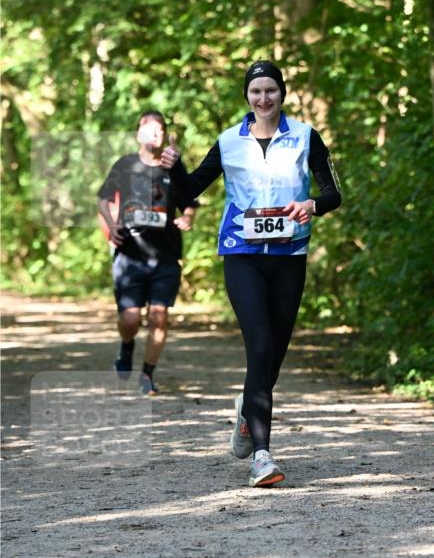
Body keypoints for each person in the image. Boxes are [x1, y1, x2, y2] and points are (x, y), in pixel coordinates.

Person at [160, 60, 342, 486]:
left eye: (271, 91)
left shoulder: (305, 137)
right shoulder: (228, 142)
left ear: (282, 93)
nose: (264, 98)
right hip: (241, 255)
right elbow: (187, 192)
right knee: (259, 346)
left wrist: (313, 204)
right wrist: (173, 168)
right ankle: (262, 455)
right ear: (247, 96)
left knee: (273, 354)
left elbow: (334, 193)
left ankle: (248, 407)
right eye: (256, 91)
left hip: (289, 256)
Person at [97, 111, 199, 394]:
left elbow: (189, 202)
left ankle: (147, 375)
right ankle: (126, 346)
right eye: (149, 128)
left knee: (159, 316)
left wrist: (188, 218)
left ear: (165, 134)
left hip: (165, 257)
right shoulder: (125, 165)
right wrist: (111, 223)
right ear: (138, 132)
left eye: (160, 129)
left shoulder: (173, 167)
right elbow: (103, 200)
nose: (156, 133)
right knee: (130, 320)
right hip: (129, 258)